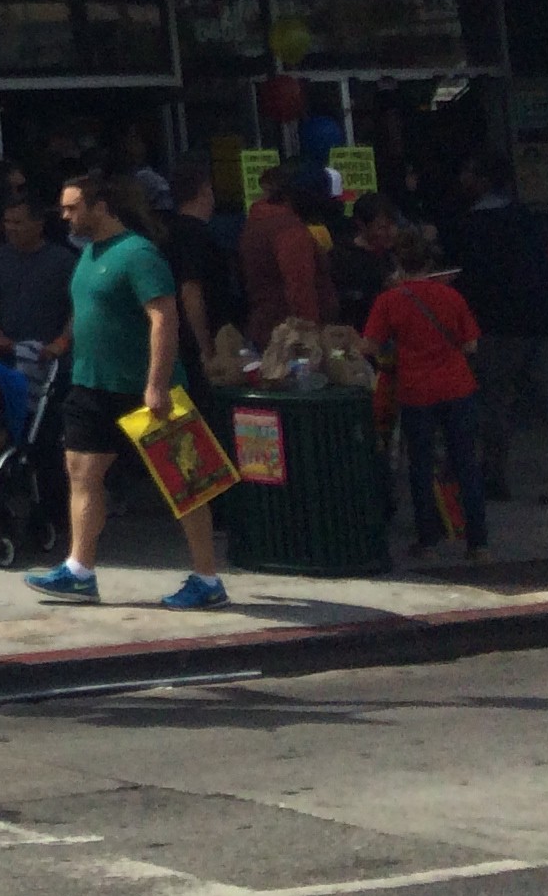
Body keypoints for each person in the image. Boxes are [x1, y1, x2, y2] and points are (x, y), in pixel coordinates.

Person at [25, 170, 228, 612]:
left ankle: (207, 578)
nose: (65, 216)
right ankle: (79, 571)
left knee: (185, 483)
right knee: (81, 473)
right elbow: (88, 310)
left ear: (102, 207)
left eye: (72, 207)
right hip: (90, 385)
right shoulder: (89, 253)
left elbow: (164, 317)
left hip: (145, 389)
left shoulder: (138, 254)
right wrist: (64, 344)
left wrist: (156, 384)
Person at [441, 157, 548, 503]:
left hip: (500, 323)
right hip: (539, 319)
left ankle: (495, 474)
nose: (463, 177)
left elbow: (478, 279)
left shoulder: (477, 224)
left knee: (495, 398)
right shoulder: (526, 218)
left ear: (481, 179)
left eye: (468, 171)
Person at [364, 225, 489, 561]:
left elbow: (369, 345)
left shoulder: (389, 300)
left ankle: (428, 539)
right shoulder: (452, 296)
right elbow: (472, 344)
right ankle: (478, 543)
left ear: (398, 263)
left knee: (419, 465)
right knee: (465, 462)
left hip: (416, 390)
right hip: (458, 386)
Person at [0, 195, 79, 367]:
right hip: (9, 356)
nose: (11, 228)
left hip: (51, 358)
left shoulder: (64, 260)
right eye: (7, 222)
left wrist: (62, 342)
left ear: (38, 224)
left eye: (18, 223)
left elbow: (79, 305)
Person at [159, 159, 240, 379]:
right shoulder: (194, 235)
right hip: (202, 343)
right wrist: (205, 348)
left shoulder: (169, 233)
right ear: (205, 190)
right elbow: (191, 291)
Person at [239, 167, 331, 344]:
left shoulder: (257, 222)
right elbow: (300, 288)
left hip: (266, 328)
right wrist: (311, 336)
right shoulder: (289, 229)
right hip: (290, 337)